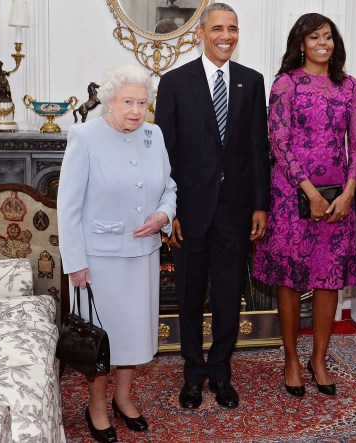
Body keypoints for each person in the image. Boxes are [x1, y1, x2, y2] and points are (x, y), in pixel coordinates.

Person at [154, 3, 270, 410]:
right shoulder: (174, 83)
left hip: (235, 211)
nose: (226, 36)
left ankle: (220, 372)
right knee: (187, 295)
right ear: (200, 33)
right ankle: (192, 374)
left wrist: (261, 205)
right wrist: (169, 211)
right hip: (189, 210)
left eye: (233, 29)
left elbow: (259, 147)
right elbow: (164, 155)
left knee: (227, 294)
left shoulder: (251, 82)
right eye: (218, 28)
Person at [58, 64, 177, 442]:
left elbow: (169, 186)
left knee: (132, 335)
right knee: (102, 338)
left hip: (143, 254)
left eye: (143, 103)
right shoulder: (85, 136)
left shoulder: (153, 135)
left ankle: (124, 399)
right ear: (109, 100)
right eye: (128, 102)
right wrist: (76, 263)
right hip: (99, 261)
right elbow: (69, 206)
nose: (136, 111)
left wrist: (164, 215)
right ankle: (96, 406)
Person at [252, 13, 356, 398]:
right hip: (290, 194)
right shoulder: (286, 84)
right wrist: (310, 192)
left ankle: (319, 358)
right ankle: (291, 359)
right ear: (300, 43)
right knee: (291, 277)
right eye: (315, 37)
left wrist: (349, 190)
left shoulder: (349, 86)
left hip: (339, 197)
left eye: (329, 37)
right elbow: (278, 141)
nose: (323, 43)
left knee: (328, 278)